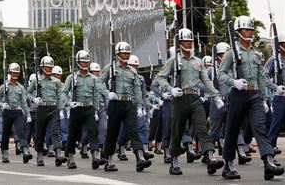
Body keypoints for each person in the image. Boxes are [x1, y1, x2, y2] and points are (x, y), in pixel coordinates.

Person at [218, 16, 284, 180]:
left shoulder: (257, 53)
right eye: (247, 30)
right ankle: (228, 164)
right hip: (238, 94)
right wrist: (234, 82)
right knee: (232, 130)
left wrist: (263, 98)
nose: (250, 32)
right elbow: (221, 74)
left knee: (260, 128)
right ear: (239, 32)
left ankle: (268, 162)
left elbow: (261, 76)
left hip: (254, 95)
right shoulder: (231, 53)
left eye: (251, 30)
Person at [157, 28, 224, 176]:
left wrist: (216, 96)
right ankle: (174, 162)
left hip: (194, 98)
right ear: (180, 43)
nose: (188, 44)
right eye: (185, 41)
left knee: (202, 128)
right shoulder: (173, 61)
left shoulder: (198, 62)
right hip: (179, 99)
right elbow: (160, 78)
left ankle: (211, 158)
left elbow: (206, 81)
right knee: (177, 131)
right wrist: (170, 89)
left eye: (190, 41)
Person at [99, 41, 151, 172]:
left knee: (133, 130)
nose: (127, 55)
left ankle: (140, 158)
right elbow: (99, 83)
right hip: (115, 103)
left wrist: (139, 106)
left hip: (129, 104)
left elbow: (137, 90)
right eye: (124, 53)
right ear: (118, 54)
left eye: (128, 53)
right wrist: (107, 93)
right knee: (112, 132)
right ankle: (109, 160)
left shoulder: (132, 71)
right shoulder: (110, 68)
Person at [61, 50, 105, 169]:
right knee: (72, 134)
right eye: (82, 62)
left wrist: (95, 111)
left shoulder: (93, 79)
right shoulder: (72, 78)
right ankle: (70, 157)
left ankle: (95, 156)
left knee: (93, 132)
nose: (85, 64)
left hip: (89, 108)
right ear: (78, 62)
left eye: (86, 62)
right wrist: (69, 103)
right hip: (76, 108)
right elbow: (63, 93)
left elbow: (96, 96)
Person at [27, 56, 67, 167]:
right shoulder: (37, 80)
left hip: (53, 108)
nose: (49, 69)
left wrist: (60, 109)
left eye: (50, 67)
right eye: (47, 67)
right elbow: (28, 93)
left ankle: (58, 154)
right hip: (42, 108)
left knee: (55, 131)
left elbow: (59, 96)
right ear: (42, 67)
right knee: (40, 132)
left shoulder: (56, 81)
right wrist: (34, 99)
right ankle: (39, 155)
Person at [0, 63, 32, 163]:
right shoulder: (4, 87)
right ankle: (5, 153)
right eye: (13, 72)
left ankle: (25, 150)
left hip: (17, 112)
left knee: (21, 132)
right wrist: (1, 105)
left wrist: (28, 114)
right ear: (10, 72)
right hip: (7, 111)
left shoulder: (20, 88)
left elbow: (24, 102)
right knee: (6, 133)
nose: (15, 74)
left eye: (17, 73)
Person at [264, 31, 285, 155]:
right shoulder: (274, 60)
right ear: (280, 45)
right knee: (275, 127)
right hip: (281, 97)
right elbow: (264, 76)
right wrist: (275, 87)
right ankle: (269, 153)